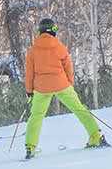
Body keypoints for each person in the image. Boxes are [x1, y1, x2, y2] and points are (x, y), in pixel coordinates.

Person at [21, 18, 104, 159]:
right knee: (79, 109)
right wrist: (69, 83)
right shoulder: (60, 47)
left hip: (41, 88)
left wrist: (29, 91)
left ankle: (30, 147)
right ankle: (96, 136)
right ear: (53, 30)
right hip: (61, 84)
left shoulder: (33, 50)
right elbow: (68, 67)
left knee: (36, 116)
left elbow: (29, 73)